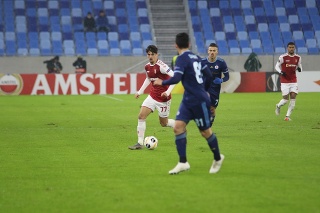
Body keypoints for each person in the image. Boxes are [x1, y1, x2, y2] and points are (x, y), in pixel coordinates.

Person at [154, 32, 224, 175]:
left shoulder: (181, 59)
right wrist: (204, 90)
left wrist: (162, 82)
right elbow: (209, 76)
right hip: (188, 100)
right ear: (189, 44)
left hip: (198, 100)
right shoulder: (197, 58)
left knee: (205, 132)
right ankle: (183, 162)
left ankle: (218, 158)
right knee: (178, 127)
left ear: (176, 45)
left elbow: (176, 78)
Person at [128, 45, 176, 150]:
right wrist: (140, 91)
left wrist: (167, 92)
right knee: (141, 116)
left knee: (164, 123)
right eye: (148, 54)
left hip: (163, 99)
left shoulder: (162, 66)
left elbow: (175, 77)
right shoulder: (147, 66)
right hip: (152, 96)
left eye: (152, 54)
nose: (150, 56)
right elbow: (148, 79)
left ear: (156, 55)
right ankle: (140, 143)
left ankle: (177, 124)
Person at [202, 43, 229, 125]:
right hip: (204, 88)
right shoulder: (202, 62)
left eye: (214, 50)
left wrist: (221, 80)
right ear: (208, 51)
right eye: (210, 50)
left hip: (215, 89)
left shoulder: (221, 62)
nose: (212, 52)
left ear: (217, 52)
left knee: (212, 108)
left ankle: (211, 120)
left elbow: (227, 77)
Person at [275, 42, 302, 121]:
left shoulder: (298, 57)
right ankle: (278, 106)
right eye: (290, 47)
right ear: (287, 48)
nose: (291, 49)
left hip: (293, 81)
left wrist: (299, 69)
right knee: (285, 100)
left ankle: (287, 116)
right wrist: (280, 71)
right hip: (284, 81)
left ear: (294, 48)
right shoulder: (283, 57)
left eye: (292, 47)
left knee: (293, 97)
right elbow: (276, 66)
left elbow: (300, 67)